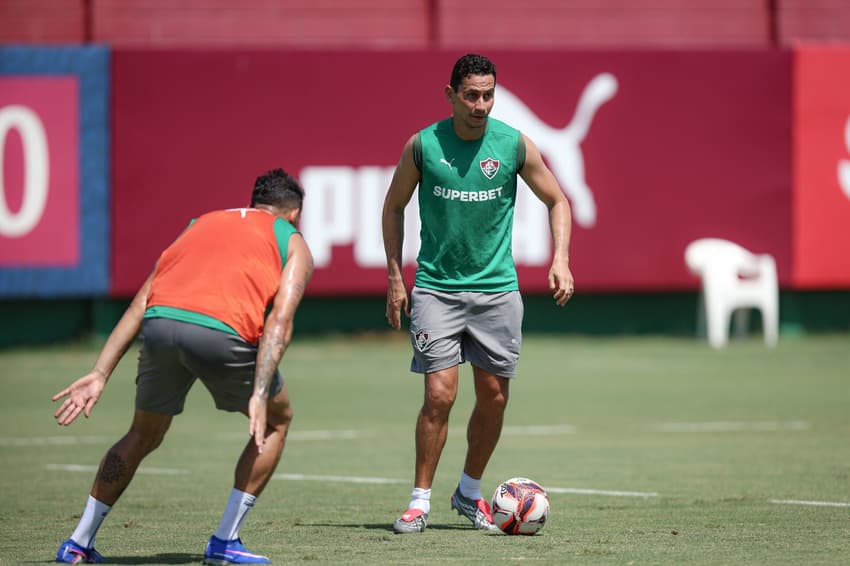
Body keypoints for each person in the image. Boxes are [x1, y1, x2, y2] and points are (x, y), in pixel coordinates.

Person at [53, 168, 314, 564]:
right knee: (277, 420)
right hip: (221, 333)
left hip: (161, 325)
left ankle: (78, 543)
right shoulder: (293, 241)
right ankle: (226, 541)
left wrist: (100, 372)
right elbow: (280, 321)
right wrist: (260, 394)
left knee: (142, 434)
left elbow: (143, 299)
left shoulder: (201, 223)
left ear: (254, 203)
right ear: (294, 214)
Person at [382, 53, 574, 534]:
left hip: (497, 293)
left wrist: (561, 259)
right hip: (436, 291)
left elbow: (557, 199)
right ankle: (419, 502)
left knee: (494, 398)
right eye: (471, 95)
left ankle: (468, 492)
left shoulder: (512, 145)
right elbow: (394, 207)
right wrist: (393, 276)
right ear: (450, 95)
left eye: (488, 94)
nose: (481, 104)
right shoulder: (423, 146)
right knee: (439, 396)